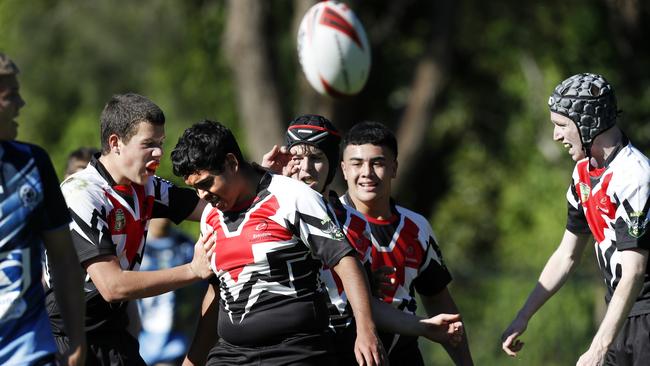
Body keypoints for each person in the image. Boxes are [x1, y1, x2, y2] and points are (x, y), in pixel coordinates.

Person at [171, 120, 386, 366]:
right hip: (232, 354)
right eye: (195, 189)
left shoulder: (293, 197)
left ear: (232, 163)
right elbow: (218, 292)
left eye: (206, 184)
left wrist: (366, 331)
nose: (202, 196)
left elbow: (346, 261)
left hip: (296, 351)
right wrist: (192, 361)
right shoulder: (210, 217)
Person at [262, 114, 464, 364]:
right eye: (297, 159)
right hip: (279, 351)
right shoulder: (261, 212)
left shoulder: (355, 223)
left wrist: (422, 327)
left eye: (316, 158)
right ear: (344, 169)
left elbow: (377, 304)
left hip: (365, 348)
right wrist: (263, 180)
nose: (305, 169)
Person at [44, 93, 214, 366]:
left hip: (115, 335)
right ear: (115, 143)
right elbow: (112, 286)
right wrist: (192, 270)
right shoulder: (81, 193)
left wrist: (264, 183)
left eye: (161, 143)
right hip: (67, 340)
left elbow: (214, 206)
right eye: (148, 144)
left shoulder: (147, 186)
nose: (159, 153)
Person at [501, 73, 650, 366]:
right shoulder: (583, 175)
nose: (557, 136)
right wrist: (523, 316)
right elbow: (566, 256)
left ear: (587, 123)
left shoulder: (635, 175)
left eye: (561, 126)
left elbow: (633, 271)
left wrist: (598, 348)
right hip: (618, 316)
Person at [339, 121, 474, 365]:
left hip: (404, 354)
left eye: (377, 163)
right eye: (357, 164)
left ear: (394, 168)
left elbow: (437, 298)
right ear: (344, 169)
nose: (366, 173)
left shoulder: (416, 226)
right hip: (343, 351)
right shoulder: (329, 220)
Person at [0, 52, 86, 365]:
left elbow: (64, 258)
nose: (21, 104)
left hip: (28, 351)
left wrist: (76, 340)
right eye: (11, 96)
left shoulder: (33, 164)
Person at [137, 218, 205, 365]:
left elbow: (203, 294)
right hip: (140, 342)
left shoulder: (187, 245)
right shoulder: (136, 244)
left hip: (176, 344)